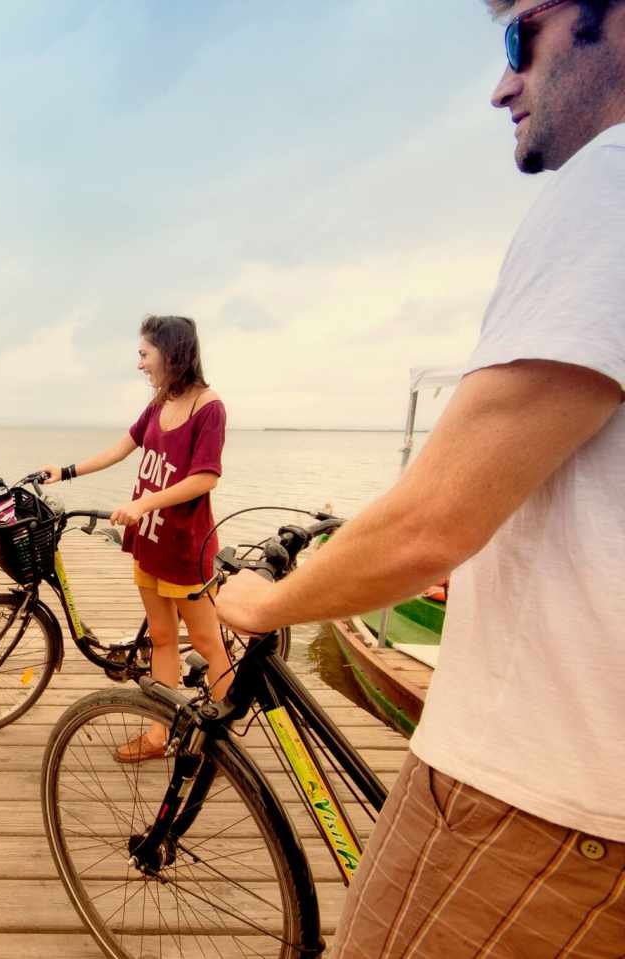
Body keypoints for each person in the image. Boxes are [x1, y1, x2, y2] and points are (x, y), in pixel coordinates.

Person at [215, 6, 625, 954]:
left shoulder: (608, 186)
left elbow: (429, 521)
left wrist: (265, 602)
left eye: (521, 35)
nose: (501, 84)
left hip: (540, 799)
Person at [42, 315, 231, 762]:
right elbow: (121, 448)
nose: (140, 364)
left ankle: (224, 739)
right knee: (162, 640)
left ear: (171, 352)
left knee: (207, 644)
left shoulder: (209, 406)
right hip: (150, 541)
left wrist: (146, 503)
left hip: (187, 547)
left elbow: (206, 477)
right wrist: (66, 472)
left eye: (145, 354)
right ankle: (158, 735)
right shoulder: (160, 403)